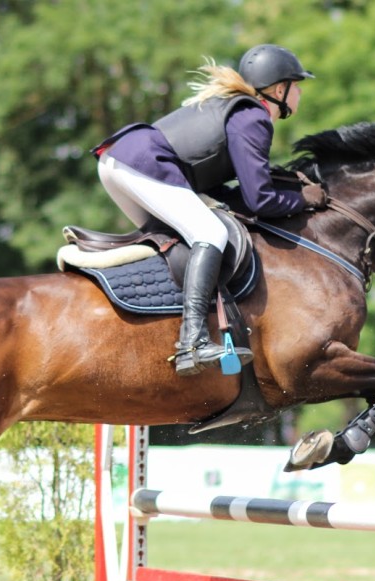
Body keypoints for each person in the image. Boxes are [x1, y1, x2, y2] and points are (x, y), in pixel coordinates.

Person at [92, 44, 327, 377]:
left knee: (182, 241)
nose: (300, 92)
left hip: (120, 161)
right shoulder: (253, 117)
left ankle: (162, 332)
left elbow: (224, 194)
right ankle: (192, 343)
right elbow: (260, 200)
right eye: (297, 85)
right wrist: (304, 200)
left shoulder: (237, 111)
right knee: (211, 233)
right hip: (141, 164)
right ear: (279, 90)